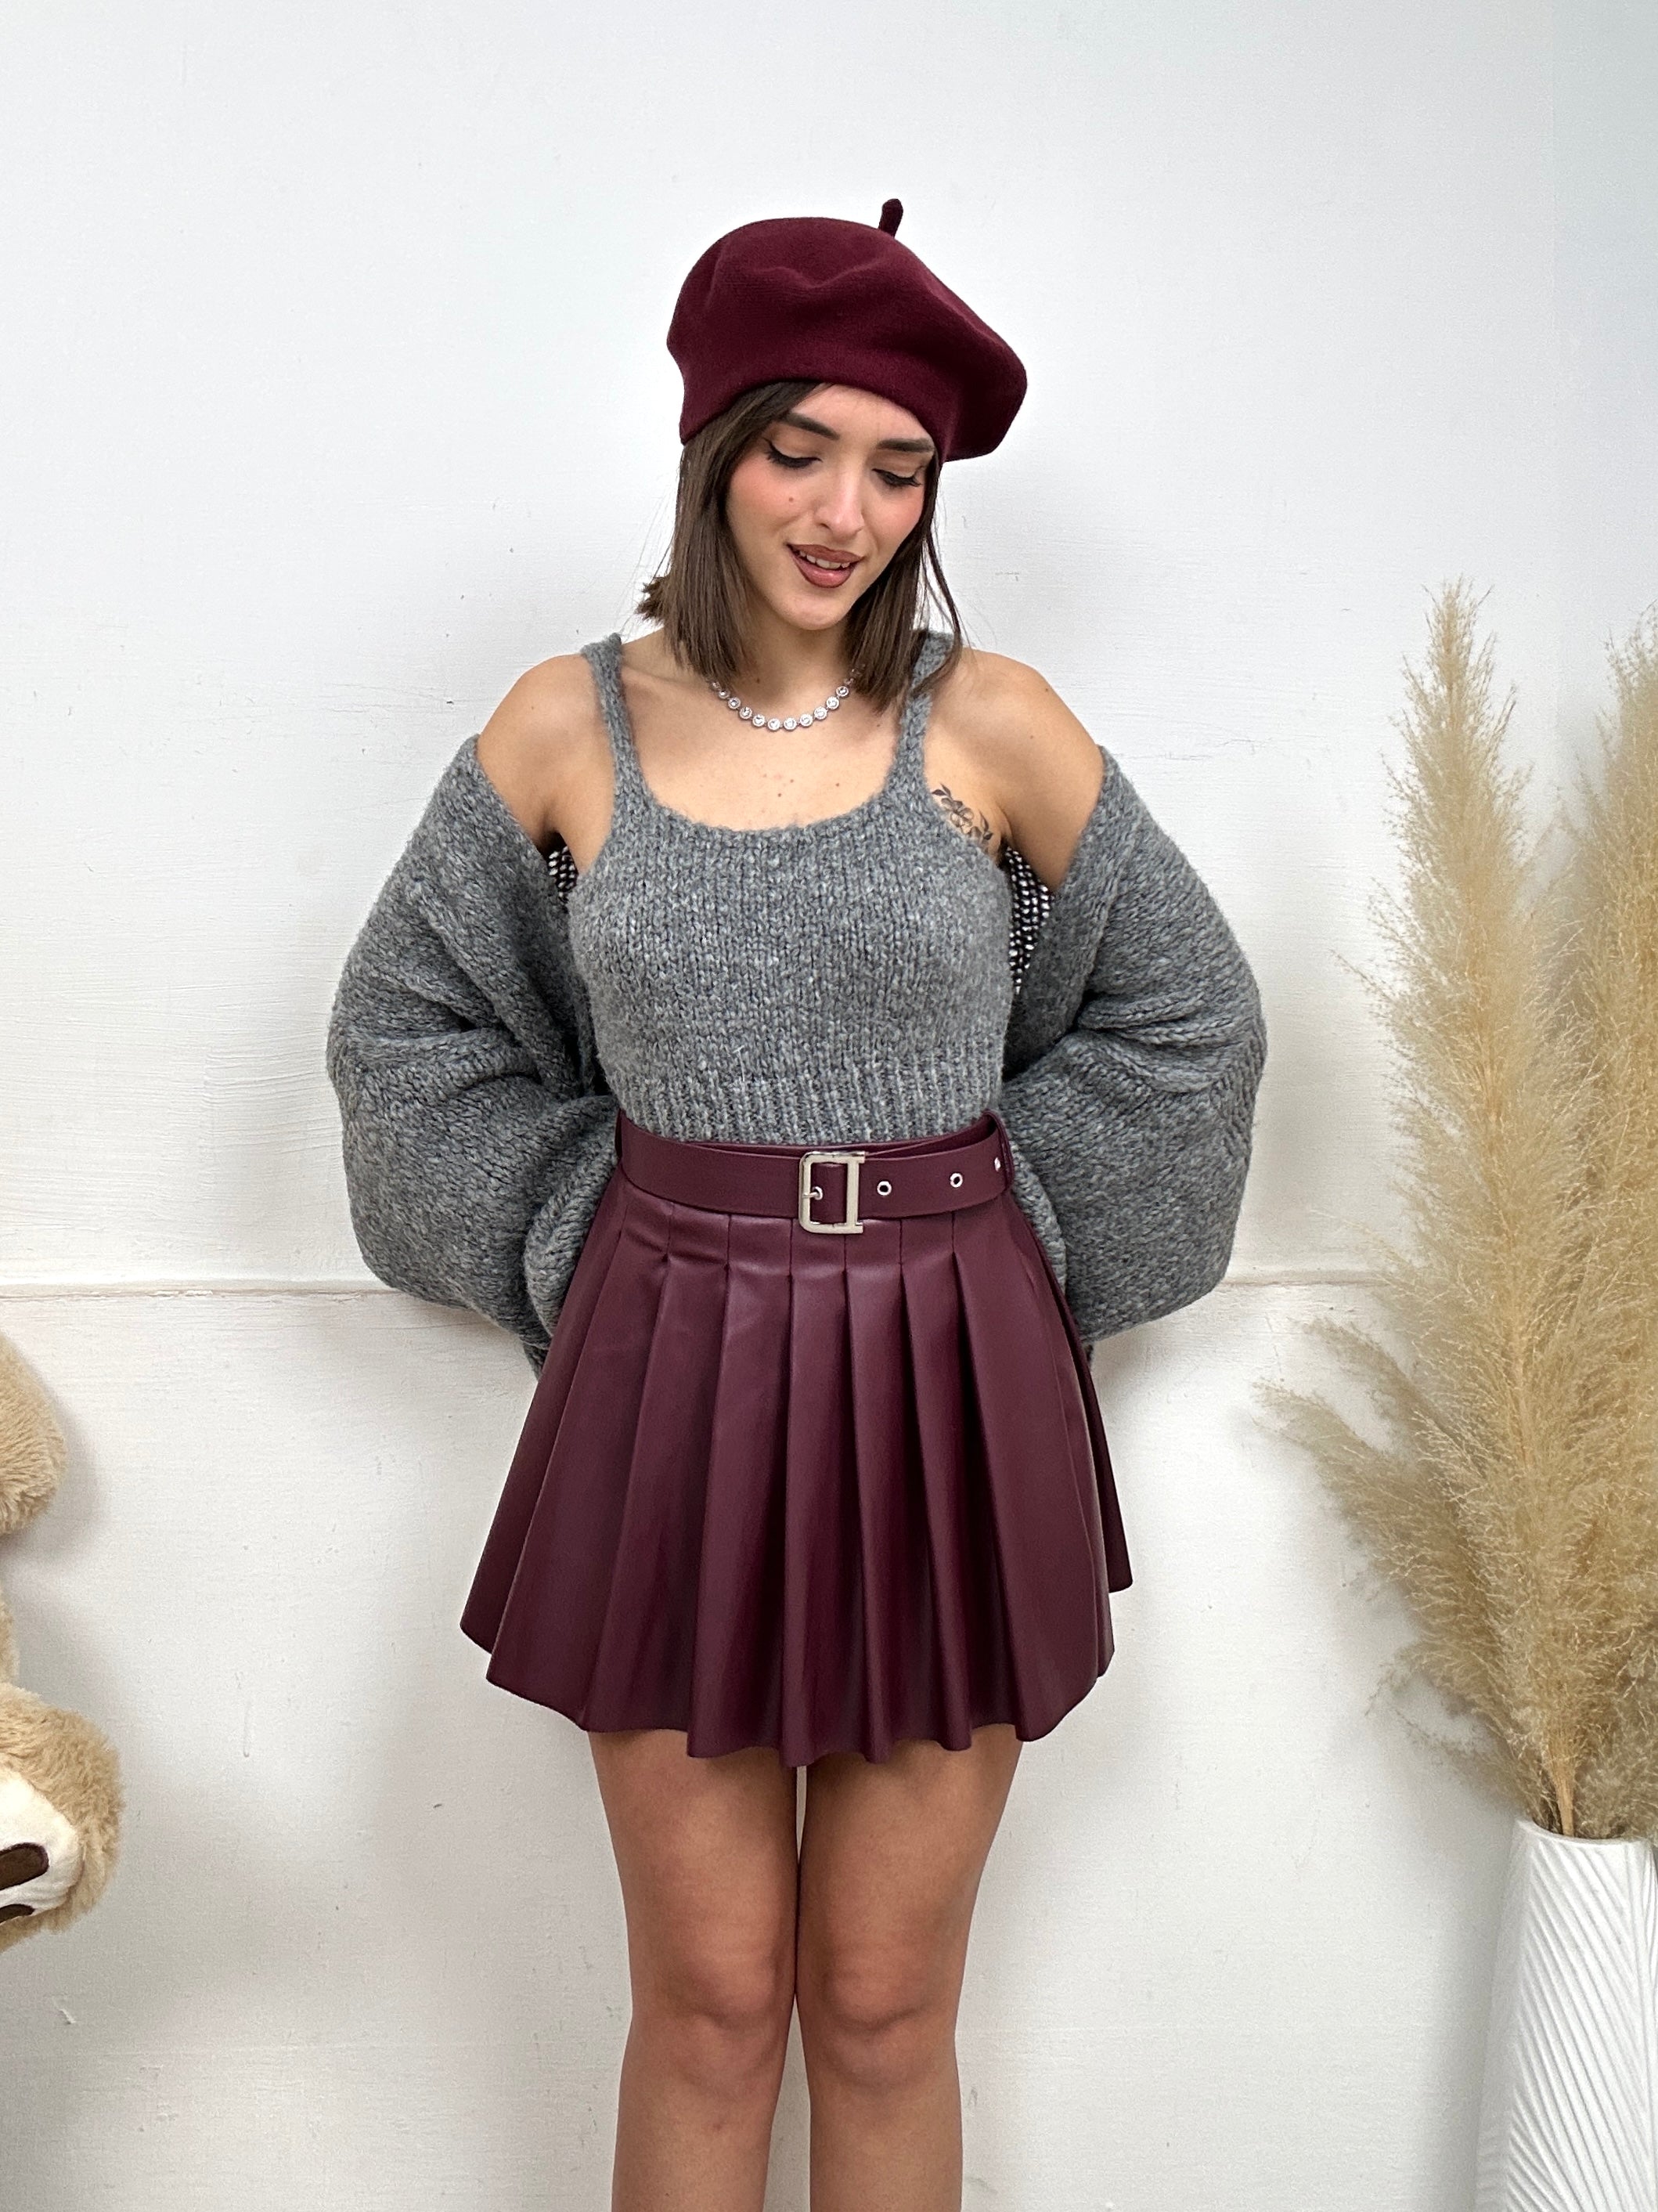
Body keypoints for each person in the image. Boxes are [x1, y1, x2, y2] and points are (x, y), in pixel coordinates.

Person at [326, 199, 1267, 2212]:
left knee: (883, 2004)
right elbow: (406, 1032)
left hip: (953, 1380)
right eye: (801, 449)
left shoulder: (992, 722)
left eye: (898, 468)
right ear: (715, 446)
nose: (847, 512)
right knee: (711, 2001)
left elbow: (1192, 1015)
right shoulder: (565, 722)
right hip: (671, 1372)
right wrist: (581, 1235)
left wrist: (1018, 1247)